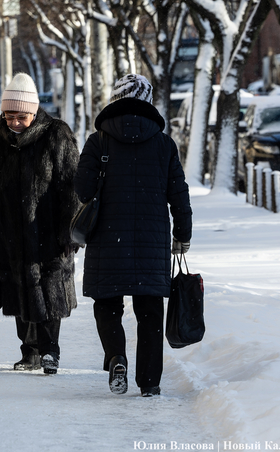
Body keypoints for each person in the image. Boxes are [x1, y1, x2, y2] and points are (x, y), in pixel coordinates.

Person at [74, 74, 192, 397]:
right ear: (148, 102)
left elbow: (82, 190)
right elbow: (179, 195)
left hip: (107, 240)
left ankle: (116, 356)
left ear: (115, 99)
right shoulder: (165, 145)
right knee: (150, 311)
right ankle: (150, 382)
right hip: (151, 244)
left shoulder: (98, 141)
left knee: (107, 305)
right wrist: (183, 234)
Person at [0, 73, 80, 375]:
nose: (14, 123)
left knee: (49, 291)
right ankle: (29, 351)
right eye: (9, 116)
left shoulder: (56, 133)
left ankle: (50, 351)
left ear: (34, 112)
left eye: (21, 116)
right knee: (19, 291)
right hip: (8, 227)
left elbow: (71, 185)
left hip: (48, 228)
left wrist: (68, 230)